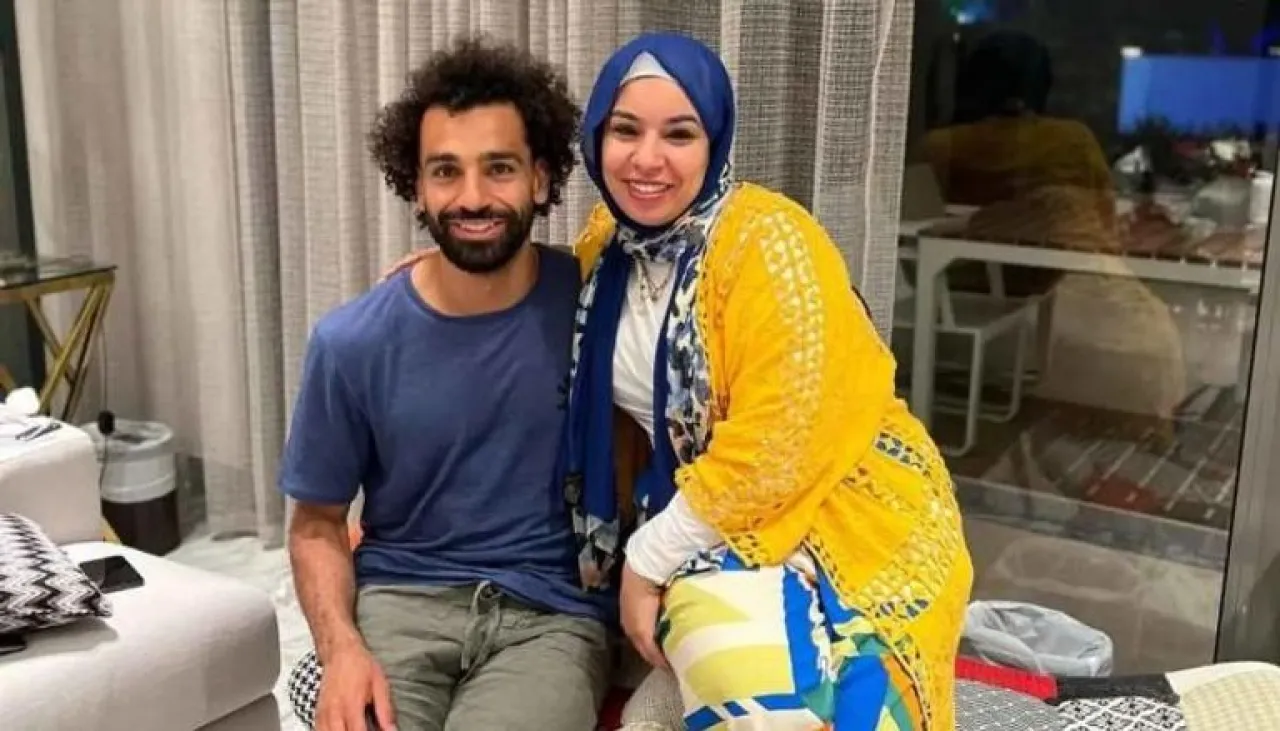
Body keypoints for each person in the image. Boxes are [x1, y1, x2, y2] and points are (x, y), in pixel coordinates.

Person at [558, 32, 974, 730]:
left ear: (714, 141)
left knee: (816, 703)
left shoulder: (770, 242)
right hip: (708, 519)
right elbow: (538, 297)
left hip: (844, 505)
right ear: (596, 137)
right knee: (715, 686)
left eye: (679, 134)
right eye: (625, 130)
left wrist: (647, 560)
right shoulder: (608, 246)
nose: (647, 158)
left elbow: (779, 445)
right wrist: (441, 273)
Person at [278, 36, 609, 731]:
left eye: (499, 168)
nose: (473, 197)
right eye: (446, 172)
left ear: (540, 178)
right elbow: (315, 524)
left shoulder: (598, 306)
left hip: (550, 618)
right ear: (417, 187)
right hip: (398, 604)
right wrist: (341, 650)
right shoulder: (350, 342)